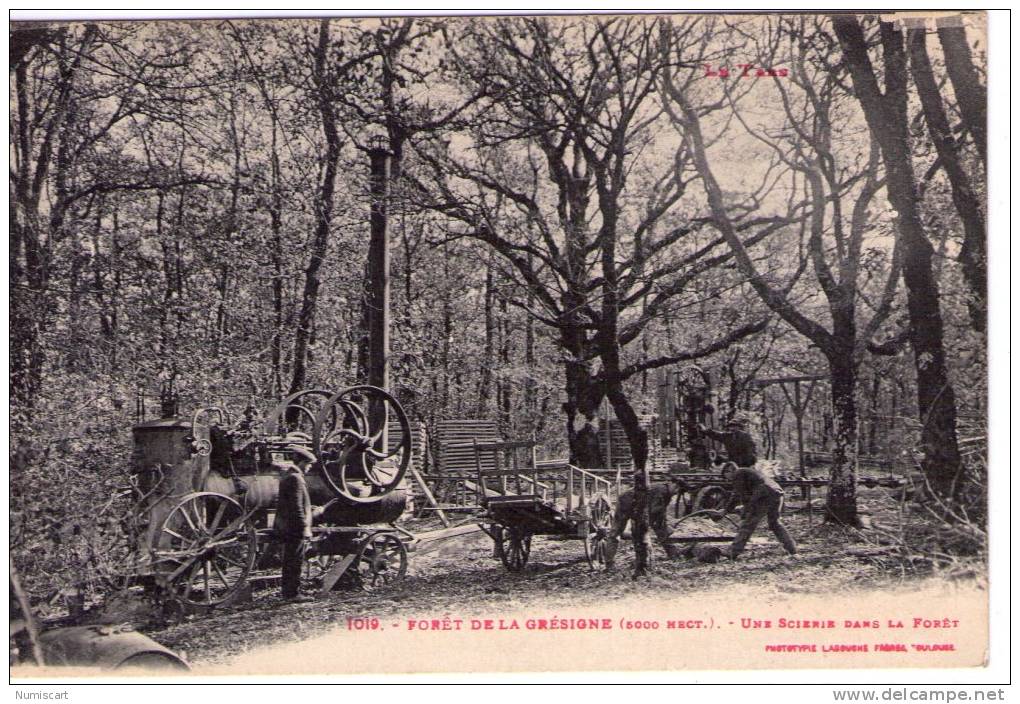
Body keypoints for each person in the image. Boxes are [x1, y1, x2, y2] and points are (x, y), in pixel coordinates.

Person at [713, 461, 797, 559]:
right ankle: (791, 548)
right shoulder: (747, 472)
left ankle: (733, 552)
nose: (727, 480)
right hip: (777, 492)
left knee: (748, 524)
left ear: (729, 471)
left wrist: (728, 511)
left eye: (725, 476)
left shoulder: (737, 474)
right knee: (775, 523)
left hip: (763, 495)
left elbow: (738, 495)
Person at [274, 445, 320, 603]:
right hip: (294, 527)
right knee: (295, 561)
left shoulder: (289, 475)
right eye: (308, 464)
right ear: (300, 462)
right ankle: (292, 594)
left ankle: (289, 593)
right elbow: (296, 507)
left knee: (290, 560)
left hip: (287, 525)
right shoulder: (296, 478)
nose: (309, 467)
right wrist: (304, 528)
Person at [608, 478, 688, 559]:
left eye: (678, 491)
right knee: (615, 532)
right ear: (671, 483)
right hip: (626, 503)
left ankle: (673, 553)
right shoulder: (661, 490)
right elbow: (654, 512)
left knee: (659, 528)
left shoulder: (666, 493)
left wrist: (664, 526)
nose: (676, 491)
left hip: (638, 507)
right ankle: (609, 562)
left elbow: (659, 513)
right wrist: (664, 527)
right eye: (676, 488)